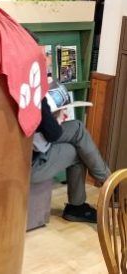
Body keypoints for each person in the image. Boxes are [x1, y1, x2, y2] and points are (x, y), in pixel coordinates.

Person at [31, 81, 110, 223]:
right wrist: (53, 112)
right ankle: (110, 184)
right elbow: (53, 133)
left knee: (78, 130)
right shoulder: (32, 91)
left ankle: (108, 182)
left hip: (36, 146)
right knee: (78, 150)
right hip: (29, 164)